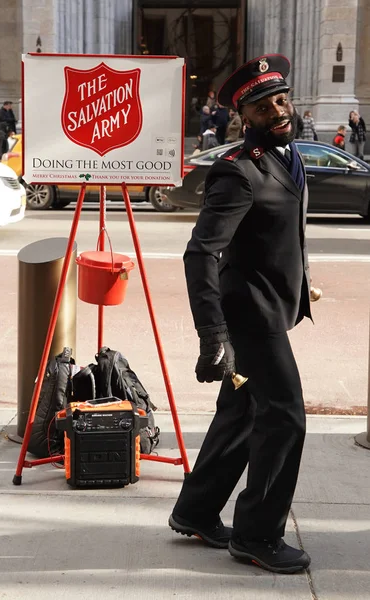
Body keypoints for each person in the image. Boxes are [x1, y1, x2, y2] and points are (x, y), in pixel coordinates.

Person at [169, 54, 312, 575]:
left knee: (241, 411)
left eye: (281, 98)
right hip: (250, 322)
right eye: (263, 105)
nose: (278, 109)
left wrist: (301, 285)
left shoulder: (287, 153)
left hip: (273, 306)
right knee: (285, 417)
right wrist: (214, 338)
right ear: (242, 116)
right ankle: (257, 535)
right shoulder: (238, 172)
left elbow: (278, 233)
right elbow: (200, 253)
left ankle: (197, 510)